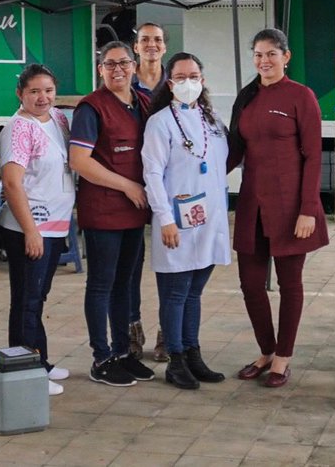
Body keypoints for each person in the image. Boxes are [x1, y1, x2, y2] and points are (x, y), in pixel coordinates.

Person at [229, 28, 329, 388]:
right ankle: (266, 350)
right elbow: (233, 151)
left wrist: (308, 209)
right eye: (258, 54)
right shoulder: (248, 97)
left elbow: (313, 156)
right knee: (251, 283)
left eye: (271, 53)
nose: (264, 61)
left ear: (286, 57)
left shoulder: (301, 97)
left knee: (290, 284)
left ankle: (283, 356)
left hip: (290, 206)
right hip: (251, 204)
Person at [143, 52, 231, 390]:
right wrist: (164, 219)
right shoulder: (161, 122)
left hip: (208, 220)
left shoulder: (211, 120)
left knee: (194, 292)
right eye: (180, 77)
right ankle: (176, 359)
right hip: (175, 221)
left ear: (203, 80)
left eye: (194, 76)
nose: (188, 83)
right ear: (170, 83)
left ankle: (193, 353)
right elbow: (151, 172)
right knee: (176, 293)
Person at [69, 41, 156, 387]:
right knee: (102, 284)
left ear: (134, 66)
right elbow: (80, 162)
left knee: (126, 284)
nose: (117, 70)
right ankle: (101, 357)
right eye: (109, 64)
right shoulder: (91, 109)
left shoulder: (144, 103)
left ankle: (123, 352)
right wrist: (127, 186)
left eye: (123, 63)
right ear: (100, 69)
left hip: (135, 212)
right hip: (105, 210)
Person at [0, 64, 76, 397]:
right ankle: (26, 369)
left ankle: (39, 358)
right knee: (27, 298)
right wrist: (30, 231)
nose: (42, 97)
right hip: (30, 227)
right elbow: (12, 183)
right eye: (34, 91)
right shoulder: (18, 128)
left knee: (38, 296)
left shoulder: (56, 119)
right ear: (20, 94)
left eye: (48, 90)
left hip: (56, 225)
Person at [130, 22, 168, 361]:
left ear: (164, 47)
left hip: (169, 186)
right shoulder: (123, 83)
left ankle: (166, 333)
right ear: (136, 47)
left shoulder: (178, 83)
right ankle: (132, 330)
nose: (151, 45)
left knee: (170, 262)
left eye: (157, 40)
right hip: (132, 186)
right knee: (131, 263)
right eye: (145, 40)